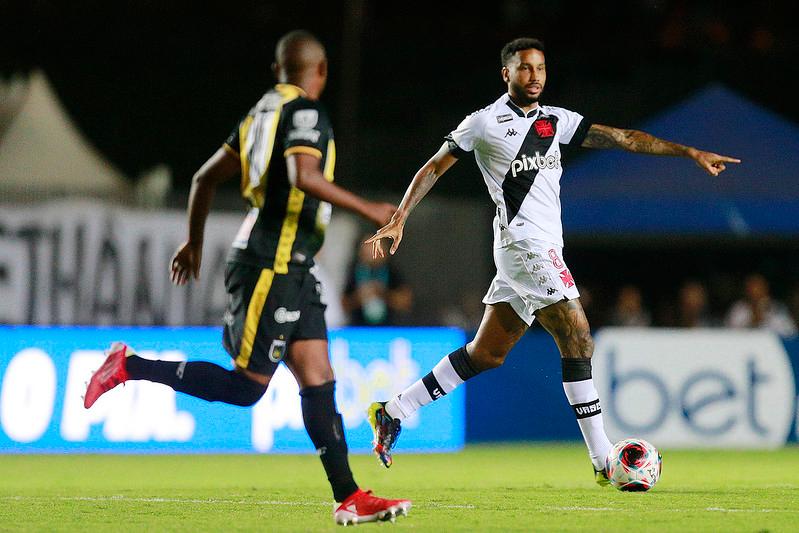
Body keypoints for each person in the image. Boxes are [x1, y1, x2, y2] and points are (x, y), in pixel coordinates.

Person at [364, 37, 740, 484]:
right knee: (578, 334)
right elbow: (434, 166)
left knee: (487, 354)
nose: (535, 76)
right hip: (525, 247)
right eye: (525, 68)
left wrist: (688, 152)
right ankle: (604, 462)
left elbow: (623, 138)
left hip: (535, 250)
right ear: (507, 74)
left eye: (541, 68)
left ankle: (393, 410)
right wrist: (401, 215)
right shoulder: (483, 123)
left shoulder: (557, 122)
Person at [83, 30, 410, 525]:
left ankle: (349, 497)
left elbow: (202, 178)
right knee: (248, 387)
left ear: (277, 69)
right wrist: (368, 208)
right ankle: (129, 366)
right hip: (269, 264)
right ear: (319, 71)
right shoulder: (304, 113)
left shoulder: (258, 116)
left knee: (318, 378)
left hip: (294, 266)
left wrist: (194, 242)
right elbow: (304, 176)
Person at [342, 234, 413, 326]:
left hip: (390, 328)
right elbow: (344, 304)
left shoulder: (392, 271)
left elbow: (406, 301)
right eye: (368, 251)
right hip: (360, 330)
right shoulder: (354, 271)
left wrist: (383, 294)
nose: (372, 256)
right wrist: (360, 297)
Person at [725, 273, 797, 336]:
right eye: (751, 288)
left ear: (765, 288)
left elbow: (790, 331)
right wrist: (753, 321)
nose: (754, 292)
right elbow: (729, 333)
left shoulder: (777, 308)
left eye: (758, 288)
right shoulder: (738, 309)